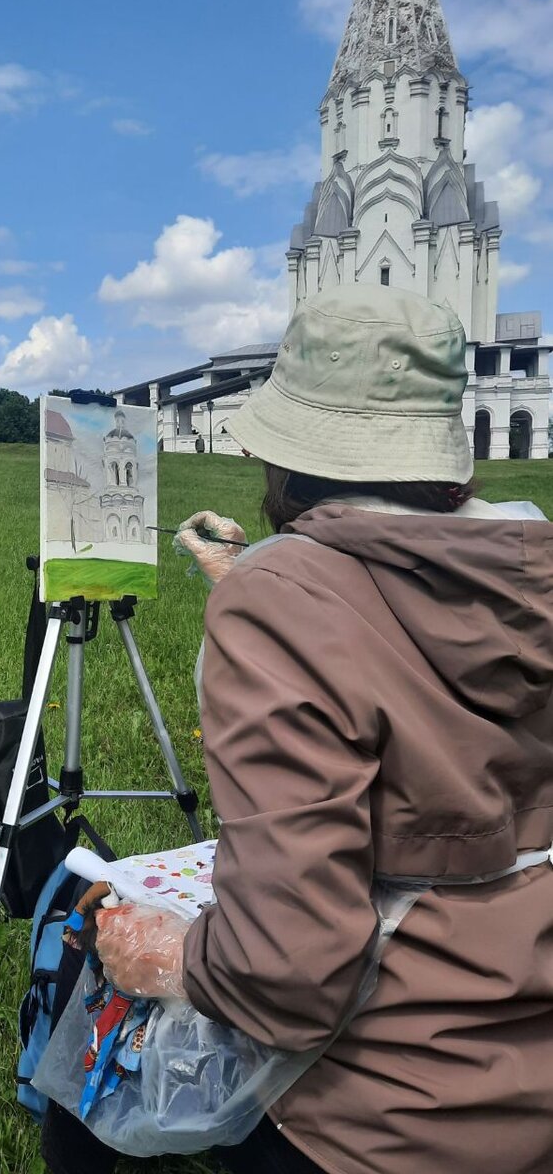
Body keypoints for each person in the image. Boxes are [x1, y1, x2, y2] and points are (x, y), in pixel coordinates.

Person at [87, 286, 553, 1174]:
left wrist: (172, 953)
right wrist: (254, 577)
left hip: (388, 1117)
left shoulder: (283, 602)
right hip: (534, 1078)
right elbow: (406, 637)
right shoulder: (529, 568)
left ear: (288, 459)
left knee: (91, 1070)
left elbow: (290, 974)